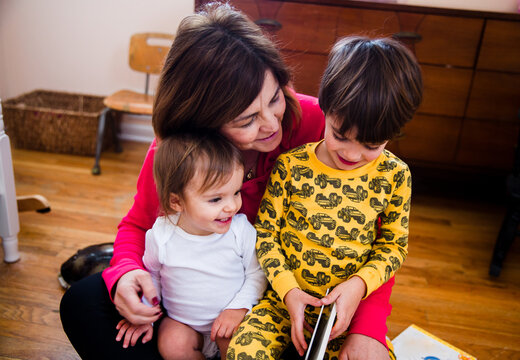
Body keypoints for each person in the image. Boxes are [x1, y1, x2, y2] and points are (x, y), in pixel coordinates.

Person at [60, 3, 397, 359]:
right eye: (246, 119)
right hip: (192, 304)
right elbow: (138, 225)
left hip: (284, 301)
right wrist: (125, 276)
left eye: (275, 98)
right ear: (201, 121)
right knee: (83, 304)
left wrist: (369, 330)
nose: (271, 124)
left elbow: (374, 237)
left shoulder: (321, 130)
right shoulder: (178, 153)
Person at [227, 35, 423, 360]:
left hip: (345, 315)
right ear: (325, 108)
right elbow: (266, 236)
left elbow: (393, 246)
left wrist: (359, 285)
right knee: (241, 353)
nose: (352, 153)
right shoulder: (290, 166)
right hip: (279, 306)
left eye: (371, 145)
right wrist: (289, 291)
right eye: (340, 135)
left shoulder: (395, 176)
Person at [115, 132, 267, 359]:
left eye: (236, 193)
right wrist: (146, 313)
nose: (232, 206)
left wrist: (239, 309)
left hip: (232, 319)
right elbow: (152, 276)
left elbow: (257, 274)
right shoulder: (162, 235)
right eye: (216, 199)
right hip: (184, 324)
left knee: (239, 343)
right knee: (171, 341)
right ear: (176, 201)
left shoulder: (240, 231)